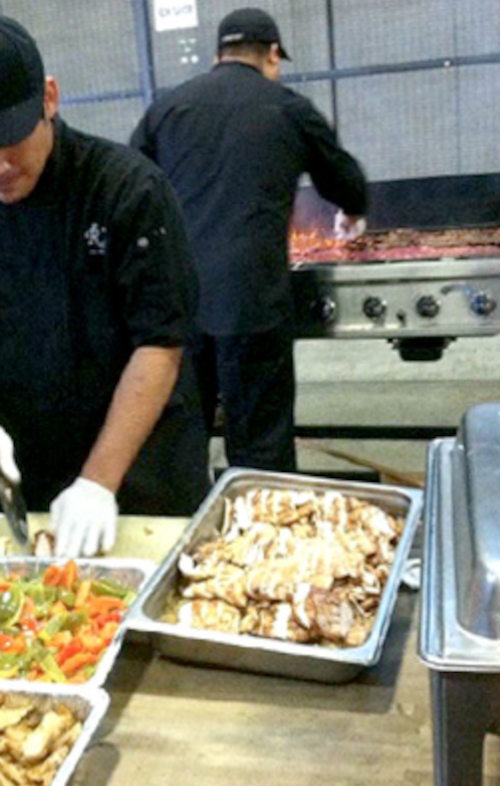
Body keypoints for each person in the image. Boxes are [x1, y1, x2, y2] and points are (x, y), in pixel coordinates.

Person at [0, 11, 209, 556]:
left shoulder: (126, 191)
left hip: (144, 468)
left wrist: (99, 481)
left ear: (49, 99)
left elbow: (160, 345)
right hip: (31, 471)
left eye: (9, 139)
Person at [131, 7, 368, 472]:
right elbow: (345, 181)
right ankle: (261, 527)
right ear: (273, 54)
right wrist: (352, 213)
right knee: (260, 447)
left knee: (179, 439)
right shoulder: (289, 108)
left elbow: (131, 185)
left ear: (218, 54)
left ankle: (183, 530)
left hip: (178, 307)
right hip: (253, 304)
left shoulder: (167, 107)